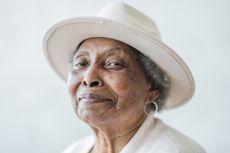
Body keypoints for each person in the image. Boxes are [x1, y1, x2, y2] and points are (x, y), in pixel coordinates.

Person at [43, 1, 206, 153]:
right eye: (81, 63)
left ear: (152, 87)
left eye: (113, 64)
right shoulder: (74, 149)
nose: (88, 78)